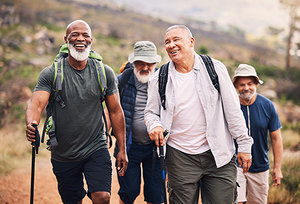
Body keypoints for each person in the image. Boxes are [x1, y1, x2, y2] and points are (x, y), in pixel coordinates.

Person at [144, 24, 254, 204]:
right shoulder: (159, 77)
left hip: (219, 154)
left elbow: (233, 110)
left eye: (176, 40)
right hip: (180, 156)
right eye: (167, 42)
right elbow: (150, 113)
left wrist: (244, 144)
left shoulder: (215, 69)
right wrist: (154, 124)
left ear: (191, 42)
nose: (171, 45)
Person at [25, 19, 128, 204]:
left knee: (103, 197)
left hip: (96, 147)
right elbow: (36, 104)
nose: (80, 38)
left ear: (91, 40)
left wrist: (122, 149)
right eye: (75, 34)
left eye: (85, 35)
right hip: (63, 153)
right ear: (66, 39)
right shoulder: (51, 73)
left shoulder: (104, 73)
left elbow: (115, 111)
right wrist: (32, 123)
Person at [115, 41, 164, 204]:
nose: (145, 68)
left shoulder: (163, 81)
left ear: (155, 63)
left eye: (149, 64)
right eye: (140, 63)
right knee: (128, 192)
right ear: (133, 62)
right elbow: (111, 110)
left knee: (156, 194)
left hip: (156, 148)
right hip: (128, 147)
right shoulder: (122, 80)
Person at [232, 64, 283, 204]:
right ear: (236, 86)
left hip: (260, 166)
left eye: (250, 84)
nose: (246, 88)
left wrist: (277, 168)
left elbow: (276, 138)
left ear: (256, 84)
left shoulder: (267, 105)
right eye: (242, 84)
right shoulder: (230, 105)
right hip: (235, 165)